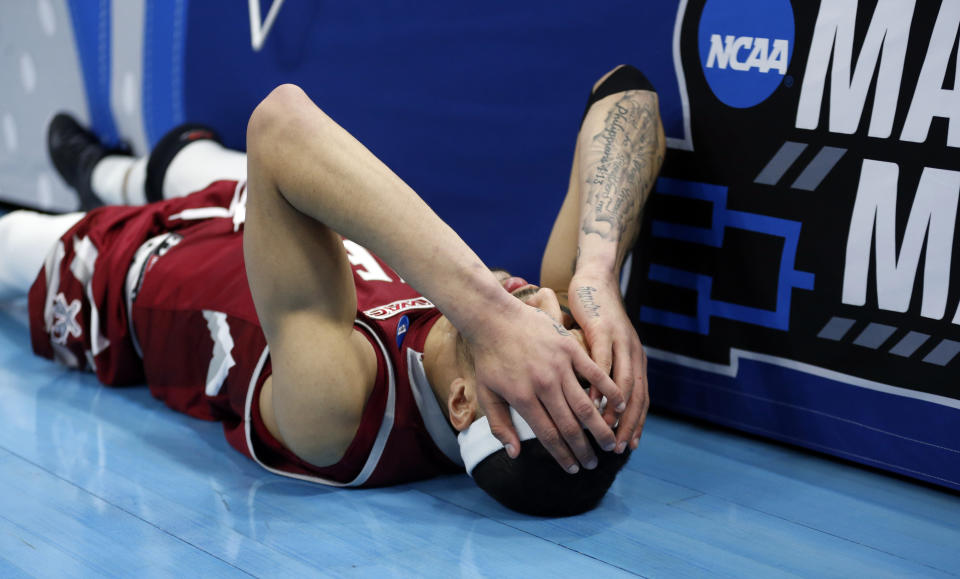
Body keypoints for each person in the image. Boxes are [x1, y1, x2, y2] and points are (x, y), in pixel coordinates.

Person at [0, 65, 663, 515]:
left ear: (463, 402)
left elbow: (281, 125)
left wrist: (488, 313)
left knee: (15, 239)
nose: (542, 303)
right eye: (564, 334)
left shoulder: (342, 410)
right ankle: (108, 169)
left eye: (539, 335)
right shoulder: (514, 323)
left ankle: (107, 184)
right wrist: (597, 272)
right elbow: (626, 92)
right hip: (275, 211)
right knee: (187, 162)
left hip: (132, 268)